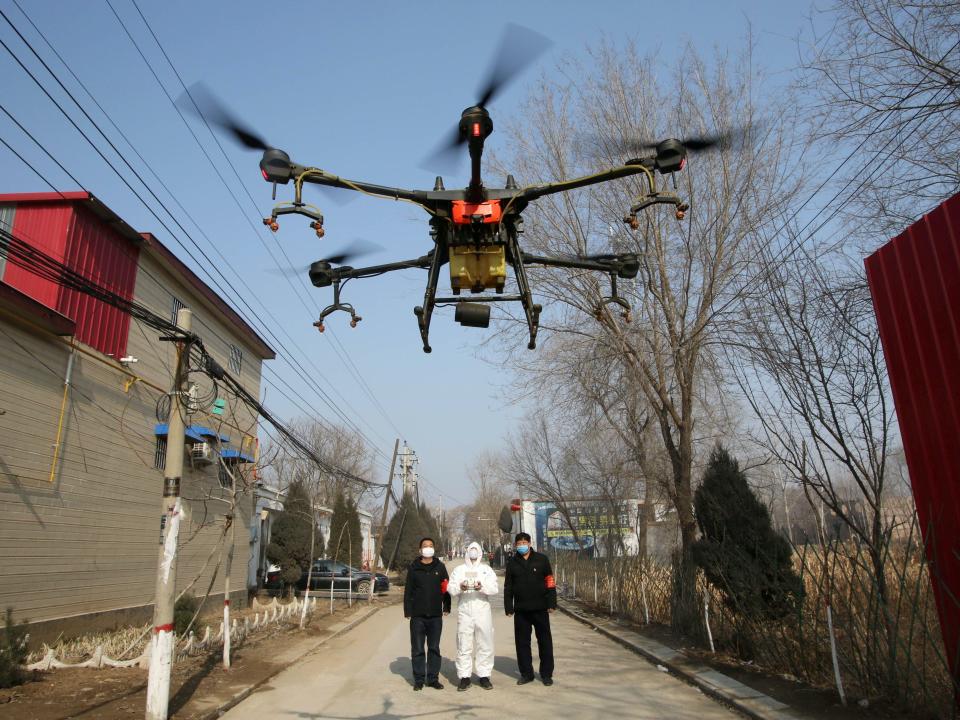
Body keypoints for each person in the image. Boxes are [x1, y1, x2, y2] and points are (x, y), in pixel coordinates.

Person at [503, 532, 556, 686]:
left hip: (540, 608)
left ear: (530, 543)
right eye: (519, 543)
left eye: (524, 542)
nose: (522, 546)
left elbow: (550, 582)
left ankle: (546, 674)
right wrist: (508, 607)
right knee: (522, 643)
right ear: (515, 545)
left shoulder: (542, 560)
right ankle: (526, 674)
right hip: (521, 610)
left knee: (545, 641)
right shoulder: (512, 563)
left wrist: (552, 603)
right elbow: (508, 587)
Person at [448, 541, 498, 691]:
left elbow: (494, 588)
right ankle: (464, 676)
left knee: (485, 642)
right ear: (467, 552)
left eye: (476, 550)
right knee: (464, 642)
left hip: (482, 609)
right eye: (471, 550)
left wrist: (481, 587)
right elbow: (451, 588)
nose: (473, 552)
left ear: (480, 552)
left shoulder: (486, 569)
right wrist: (460, 587)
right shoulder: (459, 570)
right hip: (465, 609)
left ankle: (484, 675)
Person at [403, 537, 451, 691]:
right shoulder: (414, 568)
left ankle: (432, 678)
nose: (428, 548)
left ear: (434, 549)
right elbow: (408, 590)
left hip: (436, 616)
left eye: (430, 546)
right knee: (417, 648)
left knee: (434, 648)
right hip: (418, 616)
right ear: (420, 550)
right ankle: (418, 679)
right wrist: (408, 610)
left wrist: (447, 606)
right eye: (425, 546)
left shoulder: (440, 567)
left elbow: (446, 588)